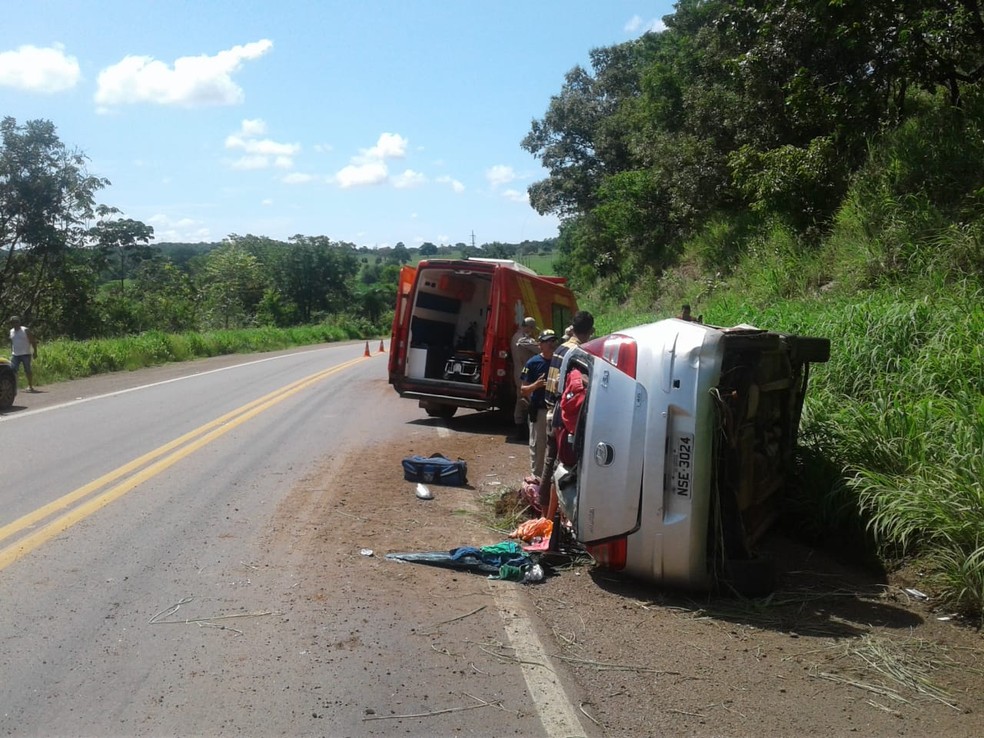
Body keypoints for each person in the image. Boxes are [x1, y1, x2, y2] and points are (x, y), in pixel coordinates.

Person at [537, 310, 594, 512]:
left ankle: (545, 513)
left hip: (550, 411)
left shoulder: (561, 348)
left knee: (549, 464)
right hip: (563, 418)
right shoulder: (579, 353)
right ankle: (552, 516)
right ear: (591, 330)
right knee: (561, 468)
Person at [520, 330, 557, 481]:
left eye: (553, 341)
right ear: (540, 345)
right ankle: (537, 479)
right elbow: (523, 390)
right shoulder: (533, 363)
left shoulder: (558, 362)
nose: (551, 344)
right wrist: (536, 385)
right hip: (540, 410)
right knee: (538, 446)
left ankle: (550, 480)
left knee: (554, 447)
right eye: (548, 341)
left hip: (555, 410)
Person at [510, 316, 539, 440]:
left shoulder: (515, 336)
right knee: (530, 400)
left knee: (520, 400)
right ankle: (529, 430)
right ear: (528, 327)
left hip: (518, 372)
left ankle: (519, 428)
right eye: (531, 328)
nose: (532, 331)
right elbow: (539, 349)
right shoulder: (523, 339)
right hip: (525, 374)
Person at [8, 316, 39, 392]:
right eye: (13, 322)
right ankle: (14, 386)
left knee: (27, 370)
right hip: (15, 355)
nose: (15, 324)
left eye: (16, 322)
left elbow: (33, 341)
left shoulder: (25, 330)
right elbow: (12, 342)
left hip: (25, 354)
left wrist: (35, 352)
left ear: (19, 322)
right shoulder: (11, 331)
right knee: (12, 370)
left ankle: (30, 386)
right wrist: (11, 351)